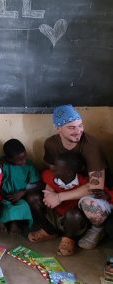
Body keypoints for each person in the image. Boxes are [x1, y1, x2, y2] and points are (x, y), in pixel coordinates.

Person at [43, 104, 112, 249]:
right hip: (68, 186)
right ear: (58, 128)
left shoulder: (91, 146)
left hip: (94, 193)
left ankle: (97, 229)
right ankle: (52, 229)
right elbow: (53, 173)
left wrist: (58, 197)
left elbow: (96, 187)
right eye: (71, 127)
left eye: (80, 125)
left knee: (89, 205)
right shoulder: (51, 144)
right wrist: (49, 194)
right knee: (38, 193)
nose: (78, 131)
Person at [28, 152, 89, 256]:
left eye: (57, 167)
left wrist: (58, 197)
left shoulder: (83, 182)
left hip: (72, 221)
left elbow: (91, 189)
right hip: (55, 214)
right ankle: (49, 231)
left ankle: (69, 238)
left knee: (73, 214)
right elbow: (46, 180)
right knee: (33, 197)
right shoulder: (48, 175)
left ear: (69, 172)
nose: (52, 168)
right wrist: (48, 193)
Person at [0, 139, 40, 235]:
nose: (24, 161)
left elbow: (36, 183)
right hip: (4, 196)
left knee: (23, 206)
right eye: (20, 160)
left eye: (25, 157)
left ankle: (14, 223)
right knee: (3, 206)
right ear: (9, 159)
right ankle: (1, 221)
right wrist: (1, 195)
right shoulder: (2, 165)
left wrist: (22, 193)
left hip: (20, 196)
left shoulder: (29, 165)